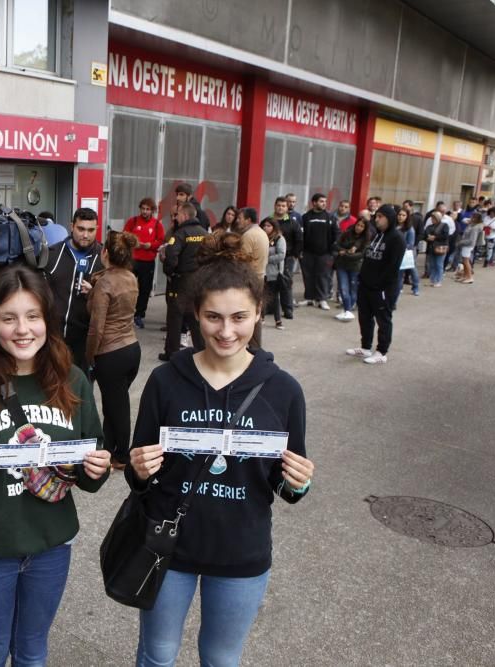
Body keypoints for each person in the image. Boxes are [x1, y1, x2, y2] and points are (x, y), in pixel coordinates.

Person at [128, 231, 314, 667]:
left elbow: (286, 486)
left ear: (258, 313)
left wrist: (299, 484)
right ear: (195, 314)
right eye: (213, 317)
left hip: (241, 552)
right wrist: (137, 468)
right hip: (167, 546)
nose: (226, 331)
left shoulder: (283, 391)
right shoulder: (166, 381)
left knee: (221, 659)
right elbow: (140, 477)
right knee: (156, 656)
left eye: (238, 317)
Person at [0, 264, 111, 667]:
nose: (22, 329)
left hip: (51, 545)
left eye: (33, 316)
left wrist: (95, 468)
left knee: (32, 651)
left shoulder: (73, 380)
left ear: (48, 320)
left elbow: (89, 460)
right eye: (8, 318)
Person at [86, 231, 140, 466]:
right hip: (131, 348)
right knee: (114, 401)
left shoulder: (105, 283)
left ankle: (122, 454)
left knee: (117, 405)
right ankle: (109, 447)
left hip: (110, 352)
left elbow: (96, 328)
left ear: (105, 252)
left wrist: (89, 357)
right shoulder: (131, 277)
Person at [45, 208, 104, 373]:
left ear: (97, 229)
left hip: (84, 341)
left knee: (80, 391)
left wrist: (95, 292)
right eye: (81, 229)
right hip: (53, 336)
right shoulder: (52, 254)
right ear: (72, 226)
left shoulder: (104, 259)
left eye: (91, 230)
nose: (85, 235)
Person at [346, 204, 405, 365]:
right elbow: (368, 258)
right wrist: (363, 279)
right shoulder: (377, 235)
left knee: (383, 319)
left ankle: (381, 352)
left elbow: (393, 267)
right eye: (376, 216)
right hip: (365, 285)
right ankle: (365, 347)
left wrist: (379, 285)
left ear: (389, 218)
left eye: (380, 217)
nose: (376, 219)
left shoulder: (397, 238)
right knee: (365, 317)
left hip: (382, 289)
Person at [159, 203, 206, 361]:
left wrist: (169, 272)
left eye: (178, 214)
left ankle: (171, 353)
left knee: (175, 318)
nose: (176, 217)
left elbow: (171, 256)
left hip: (181, 282)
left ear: (185, 216)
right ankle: (202, 350)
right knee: (196, 318)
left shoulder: (180, 234)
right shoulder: (205, 233)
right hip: (199, 282)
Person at [124, 198, 167, 329]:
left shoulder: (157, 224)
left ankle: (139, 316)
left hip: (148, 262)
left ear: (152, 211)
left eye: (148, 209)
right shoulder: (133, 221)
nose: (144, 211)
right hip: (132, 260)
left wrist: (150, 245)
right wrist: (133, 242)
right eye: (143, 208)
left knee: (144, 290)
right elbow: (124, 235)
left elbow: (161, 241)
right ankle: (125, 314)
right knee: (127, 288)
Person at [232, 207, 269, 348]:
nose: (237, 221)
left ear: (248, 220)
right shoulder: (261, 232)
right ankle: (255, 347)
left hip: (249, 279)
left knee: (248, 314)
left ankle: (253, 347)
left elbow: (242, 260)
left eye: (240, 218)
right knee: (254, 313)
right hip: (259, 277)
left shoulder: (249, 235)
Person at [298, 193, 339, 310]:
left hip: (325, 253)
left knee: (323, 276)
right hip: (307, 253)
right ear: (314, 202)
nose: (324, 204)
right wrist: (300, 250)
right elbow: (300, 235)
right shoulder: (305, 217)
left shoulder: (330, 217)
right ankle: (309, 298)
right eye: (321, 201)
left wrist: (333, 251)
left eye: (325, 202)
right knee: (308, 275)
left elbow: (337, 235)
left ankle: (322, 299)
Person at [334, 215, 370, 322]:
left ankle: (348, 308)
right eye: (358, 225)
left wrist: (345, 254)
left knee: (353, 289)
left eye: (362, 226)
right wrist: (345, 251)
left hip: (355, 266)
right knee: (343, 288)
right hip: (342, 265)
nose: (359, 227)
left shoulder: (366, 239)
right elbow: (336, 245)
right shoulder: (346, 234)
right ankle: (347, 310)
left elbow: (361, 254)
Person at [278, 195, 303, 319]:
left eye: (283, 206)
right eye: (278, 205)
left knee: (286, 283)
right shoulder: (269, 221)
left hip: (287, 258)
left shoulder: (292, 223)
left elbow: (299, 239)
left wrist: (294, 255)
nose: (280, 208)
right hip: (270, 258)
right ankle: (271, 308)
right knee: (270, 283)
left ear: (287, 208)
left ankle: (288, 309)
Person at [261, 217, 286, 330]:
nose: (266, 228)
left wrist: (266, 259)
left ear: (274, 227)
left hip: (273, 272)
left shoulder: (279, 239)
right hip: (261, 272)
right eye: (264, 225)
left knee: (275, 297)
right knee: (261, 295)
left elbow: (281, 255)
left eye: (269, 226)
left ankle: (278, 320)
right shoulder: (261, 238)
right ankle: (261, 318)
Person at [393, 208, 419, 304]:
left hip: (401, 256)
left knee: (398, 278)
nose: (400, 217)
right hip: (391, 255)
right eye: (399, 214)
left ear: (407, 217)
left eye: (403, 215)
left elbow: (410, 244)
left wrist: (399, 247)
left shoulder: (409, 229)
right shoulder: (393, 226)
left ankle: (394, 301)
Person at [454, 212, 484, 285]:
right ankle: (465, 276)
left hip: (468, 245)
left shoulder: (475, 228)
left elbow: (471, 240)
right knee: (465, 262)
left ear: (476, 219)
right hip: (466, 245)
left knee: (466, 262)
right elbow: (463, 220)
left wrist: (461, 242)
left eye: (473, 217)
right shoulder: (472, 224)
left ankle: (469, 277)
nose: (471, 218)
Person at [423, 211, 451, 287]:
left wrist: (435, 237)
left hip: (440, 248)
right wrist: (427, 238)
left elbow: (445, 236)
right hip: (431, 247)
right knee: (432, 264)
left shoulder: (444, 226)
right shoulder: (429, 226)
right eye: (432, 218)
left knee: (439, 264)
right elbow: (425, 235)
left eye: (434, 218)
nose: (432, 219)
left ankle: (438, 280)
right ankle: (433, 280)